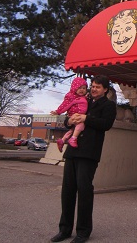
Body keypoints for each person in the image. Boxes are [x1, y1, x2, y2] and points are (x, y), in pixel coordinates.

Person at [50, 75, 117, 243]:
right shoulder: (81, 99)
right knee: (67, 191)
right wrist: (68, 120)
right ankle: (64, 229)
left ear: (105, 90)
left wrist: (87, 118)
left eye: (98, 87)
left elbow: (106, 124)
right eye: (92, 86)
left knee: (84, 191)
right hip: (72, 151)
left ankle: (83, 232)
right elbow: (68, 117)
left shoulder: (108, 106)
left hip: (89, 153)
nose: (94, 89)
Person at [50, 77, 89, 151]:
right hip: (76, 115)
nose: (82, 90)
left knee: (73, 130)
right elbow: (65, 105)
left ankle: (62, 140)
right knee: (80, 126)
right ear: (75, 88)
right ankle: (73, 139)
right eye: (79, 88)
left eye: (84, 88)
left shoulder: (83, 97)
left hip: (78, 116)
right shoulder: (73, 98)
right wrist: (58, 111)